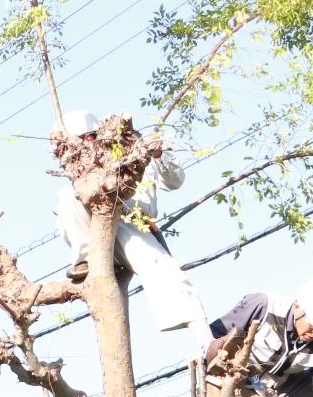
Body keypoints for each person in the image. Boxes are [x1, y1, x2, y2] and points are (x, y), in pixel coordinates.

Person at [53, 108, 213, 348]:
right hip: (93, 229)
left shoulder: (134, 152)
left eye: (92, 135)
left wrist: (157, 153)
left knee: (163, 269)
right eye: (82, 138)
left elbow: (175, 181)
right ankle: (86, 260)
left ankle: (207, 342)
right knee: (67, 196)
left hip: (133, 225)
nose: (89, 141)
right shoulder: (77, 167)